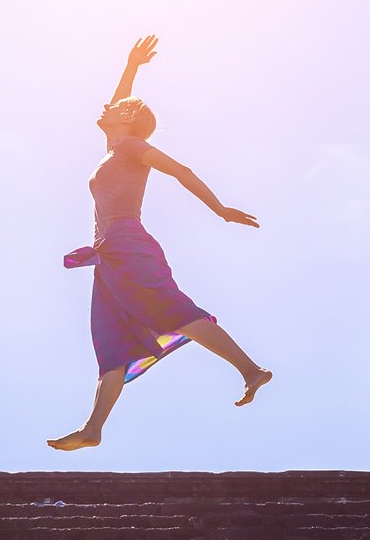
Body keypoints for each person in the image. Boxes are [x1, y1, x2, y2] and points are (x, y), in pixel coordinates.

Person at [47, 34, 272, 451]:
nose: (104, 107)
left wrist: (220, 209)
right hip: (107, 257)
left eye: (114, 109)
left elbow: (181, 170)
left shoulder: (132, 146)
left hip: (128, 243)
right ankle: (94, 428)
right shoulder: (114, 147)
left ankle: (250, 370)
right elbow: (118, 101)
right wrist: (131, 66)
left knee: (172, 310)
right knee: (111, 339)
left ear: (128, 119)